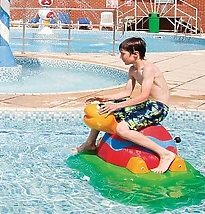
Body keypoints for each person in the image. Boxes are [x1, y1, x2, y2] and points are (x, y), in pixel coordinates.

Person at [73, 37, 175, 173]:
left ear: (135, 54)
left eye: (123, 53)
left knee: (121, 129)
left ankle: (164, 154)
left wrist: (117, 106)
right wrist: (105, 98)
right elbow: (127, 92)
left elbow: (144, 95)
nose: (120, 57)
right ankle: (90, 143)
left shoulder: (148, 69)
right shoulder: (133, 70)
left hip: (158, 107)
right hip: (146, 104)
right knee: (102, 109)